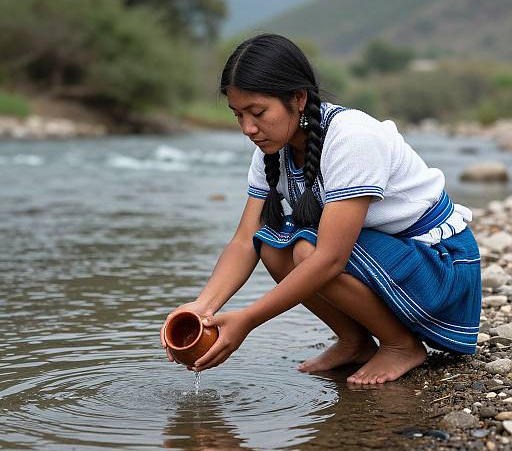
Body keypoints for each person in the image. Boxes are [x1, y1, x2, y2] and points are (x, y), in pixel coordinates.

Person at [160, 34, 481, 385]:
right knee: (270, 243)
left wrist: (247, 320)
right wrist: (203, 307)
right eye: (238, 115)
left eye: (258, 112)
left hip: (439, 267)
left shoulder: (352, 138)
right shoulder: (271, 149)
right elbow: (243, 241)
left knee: (306, 249)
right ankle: (355, 341)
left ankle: (400, 345)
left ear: (298, 99)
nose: (248, 129)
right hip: (387, 262)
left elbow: (330, 259)